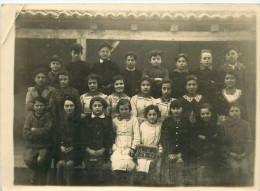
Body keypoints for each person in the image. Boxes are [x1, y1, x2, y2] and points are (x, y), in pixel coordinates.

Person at [81, 97, 115, 184]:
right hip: (88, 151)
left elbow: (110, 136)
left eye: (99, 105)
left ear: (103, 107)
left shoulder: (107, 119)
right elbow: (82, 136)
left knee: (102, 171)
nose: (97, 107)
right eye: (94, 105)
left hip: (103, 151)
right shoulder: (86, 119)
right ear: (91, 107)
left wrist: (103, 149)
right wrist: (88, 149)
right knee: (89, 172)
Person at [23, 96, 53, 185]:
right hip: (32, 145)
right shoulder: (29, 116)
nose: (39, 107)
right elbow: (25, 133)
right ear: (33, 106)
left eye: (41, 105)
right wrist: (40, 132)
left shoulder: (48, 116)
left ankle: (39, 176)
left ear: (44, 106)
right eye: (37, 105)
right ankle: (38, 173)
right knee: (28, 160)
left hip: (44, 145)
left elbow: (48, 131)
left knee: (41, 159)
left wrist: (34, 130)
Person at [220, 104, 252, 186]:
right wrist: (230, 153)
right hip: (229, 154)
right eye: (232, 111)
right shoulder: (224, 125)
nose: (235, 113)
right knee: (235, 169)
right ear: (229, 113)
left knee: (245, 171)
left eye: (237, 111)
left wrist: (244, 153)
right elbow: (221, 143)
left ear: (240, 112)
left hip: (243, 154)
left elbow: (249, 141)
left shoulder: (245, 124)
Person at [160, 100, 190, 186]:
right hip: (168, 153)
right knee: (167, 167)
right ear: (170, 110)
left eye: (178, 108)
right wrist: (169, 153)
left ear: (182, 109)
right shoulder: (166, 122)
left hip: (183, 153)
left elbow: (188, 141)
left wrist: (181, 154)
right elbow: (164, 139)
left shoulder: (186, 122)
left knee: (180, 165)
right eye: (173, 108)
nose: (176, 111)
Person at [110, 99, 140, 185]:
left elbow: (137, 136)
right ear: (118, 110)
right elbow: (113, 136)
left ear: (129, 109)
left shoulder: (134, 120)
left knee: (129, 164)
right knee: (116, 165)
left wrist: (133, 148)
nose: (124, 111)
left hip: (129, 148)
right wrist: (114, 148)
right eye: (122, 109)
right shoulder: (115, 121)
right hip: (118, 147)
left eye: (126, 109)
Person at [193, 103, 223, 186]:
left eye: (207, 113)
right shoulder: (196, 126)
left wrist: (205, 138)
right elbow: (195, 141)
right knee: (201, 172)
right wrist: (210, 138)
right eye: (203, 114)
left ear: (211, 114)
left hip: (213, 153)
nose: (205, 115)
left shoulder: (215, 126)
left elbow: (218, 141)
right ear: (199, 114)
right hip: (200, 153)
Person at [55, 97, 81, 185]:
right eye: (66, 106)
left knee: (69, 164)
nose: (69, 108)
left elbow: (81, 138)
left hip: (75, 150)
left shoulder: (80, 121)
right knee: (60, 164)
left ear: (75, 107)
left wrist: (73, 146)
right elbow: (56, 137)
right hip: (61, 150)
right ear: (63, 107)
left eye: (71, 106)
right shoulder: (59, 121)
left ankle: (69, 187)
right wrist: (61, 146)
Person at [135, 105, 162, 185]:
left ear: (158, 115)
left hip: (154, 151)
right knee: (142, 163)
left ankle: (150, 183)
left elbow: (161, 141)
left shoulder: (160, 126)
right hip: (143, 151)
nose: (152, 117)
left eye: (154, 114)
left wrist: (160, 150)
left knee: (151, 164)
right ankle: (142, 183)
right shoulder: (143, 126)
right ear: (146, 115)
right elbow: (138, 139)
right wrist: (137, 149)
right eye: (149, 115)